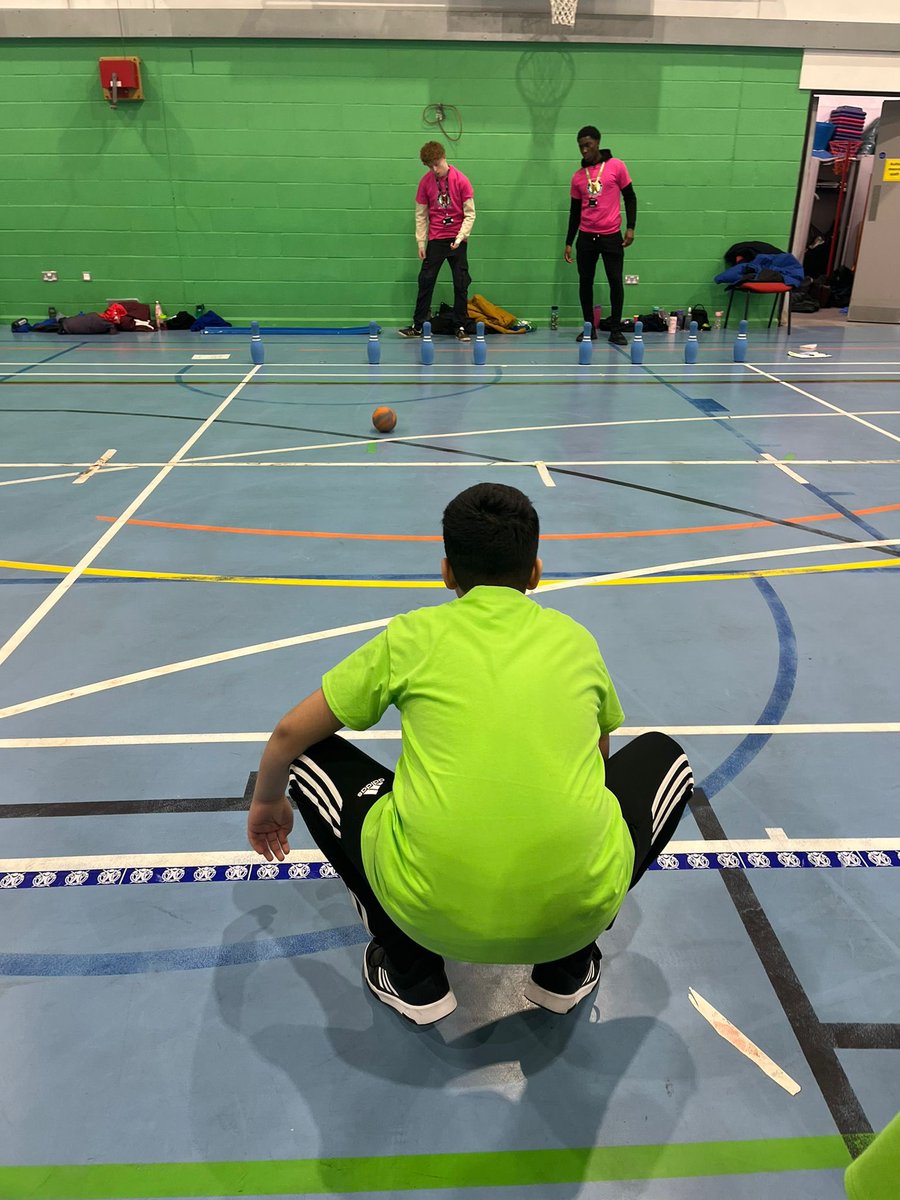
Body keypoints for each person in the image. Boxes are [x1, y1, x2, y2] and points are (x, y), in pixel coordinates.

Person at [247, 483, 693, 1026]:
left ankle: (411, 973)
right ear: (535, 573)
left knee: (311, 754)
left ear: (446, 571)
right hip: (575, 914)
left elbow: (288, 734)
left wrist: (267, 802)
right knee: (666, 759)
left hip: (426, 914)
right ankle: (567, 968)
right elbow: (598, 764)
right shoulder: (576, 639)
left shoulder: (414, 634)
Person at [564, 125, 637, 347]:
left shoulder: (616, 166)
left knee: (616, 281)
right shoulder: (578, 177)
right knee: (585, 282)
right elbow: (575, 212)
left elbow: (630, 197)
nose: (584, 150)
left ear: (597, 142)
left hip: (611, 236)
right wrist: (569, 242)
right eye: (580, 147)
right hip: (586, 238)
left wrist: (631, 227)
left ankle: (615, 329)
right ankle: (588, 328)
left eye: (588, 145)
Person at [398, 141, 475, 342]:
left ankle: (460, 326)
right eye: (429, 166)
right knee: (426, 280)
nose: (434, 169)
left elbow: (470, 214)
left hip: (458, 239)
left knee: (461, 282)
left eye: (436, 164)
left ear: (443, 157)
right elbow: (421, 215)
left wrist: (460, 238)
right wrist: (421, 243)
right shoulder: (425, 183)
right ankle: (418, 325)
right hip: (436, 239)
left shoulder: (462, 180)